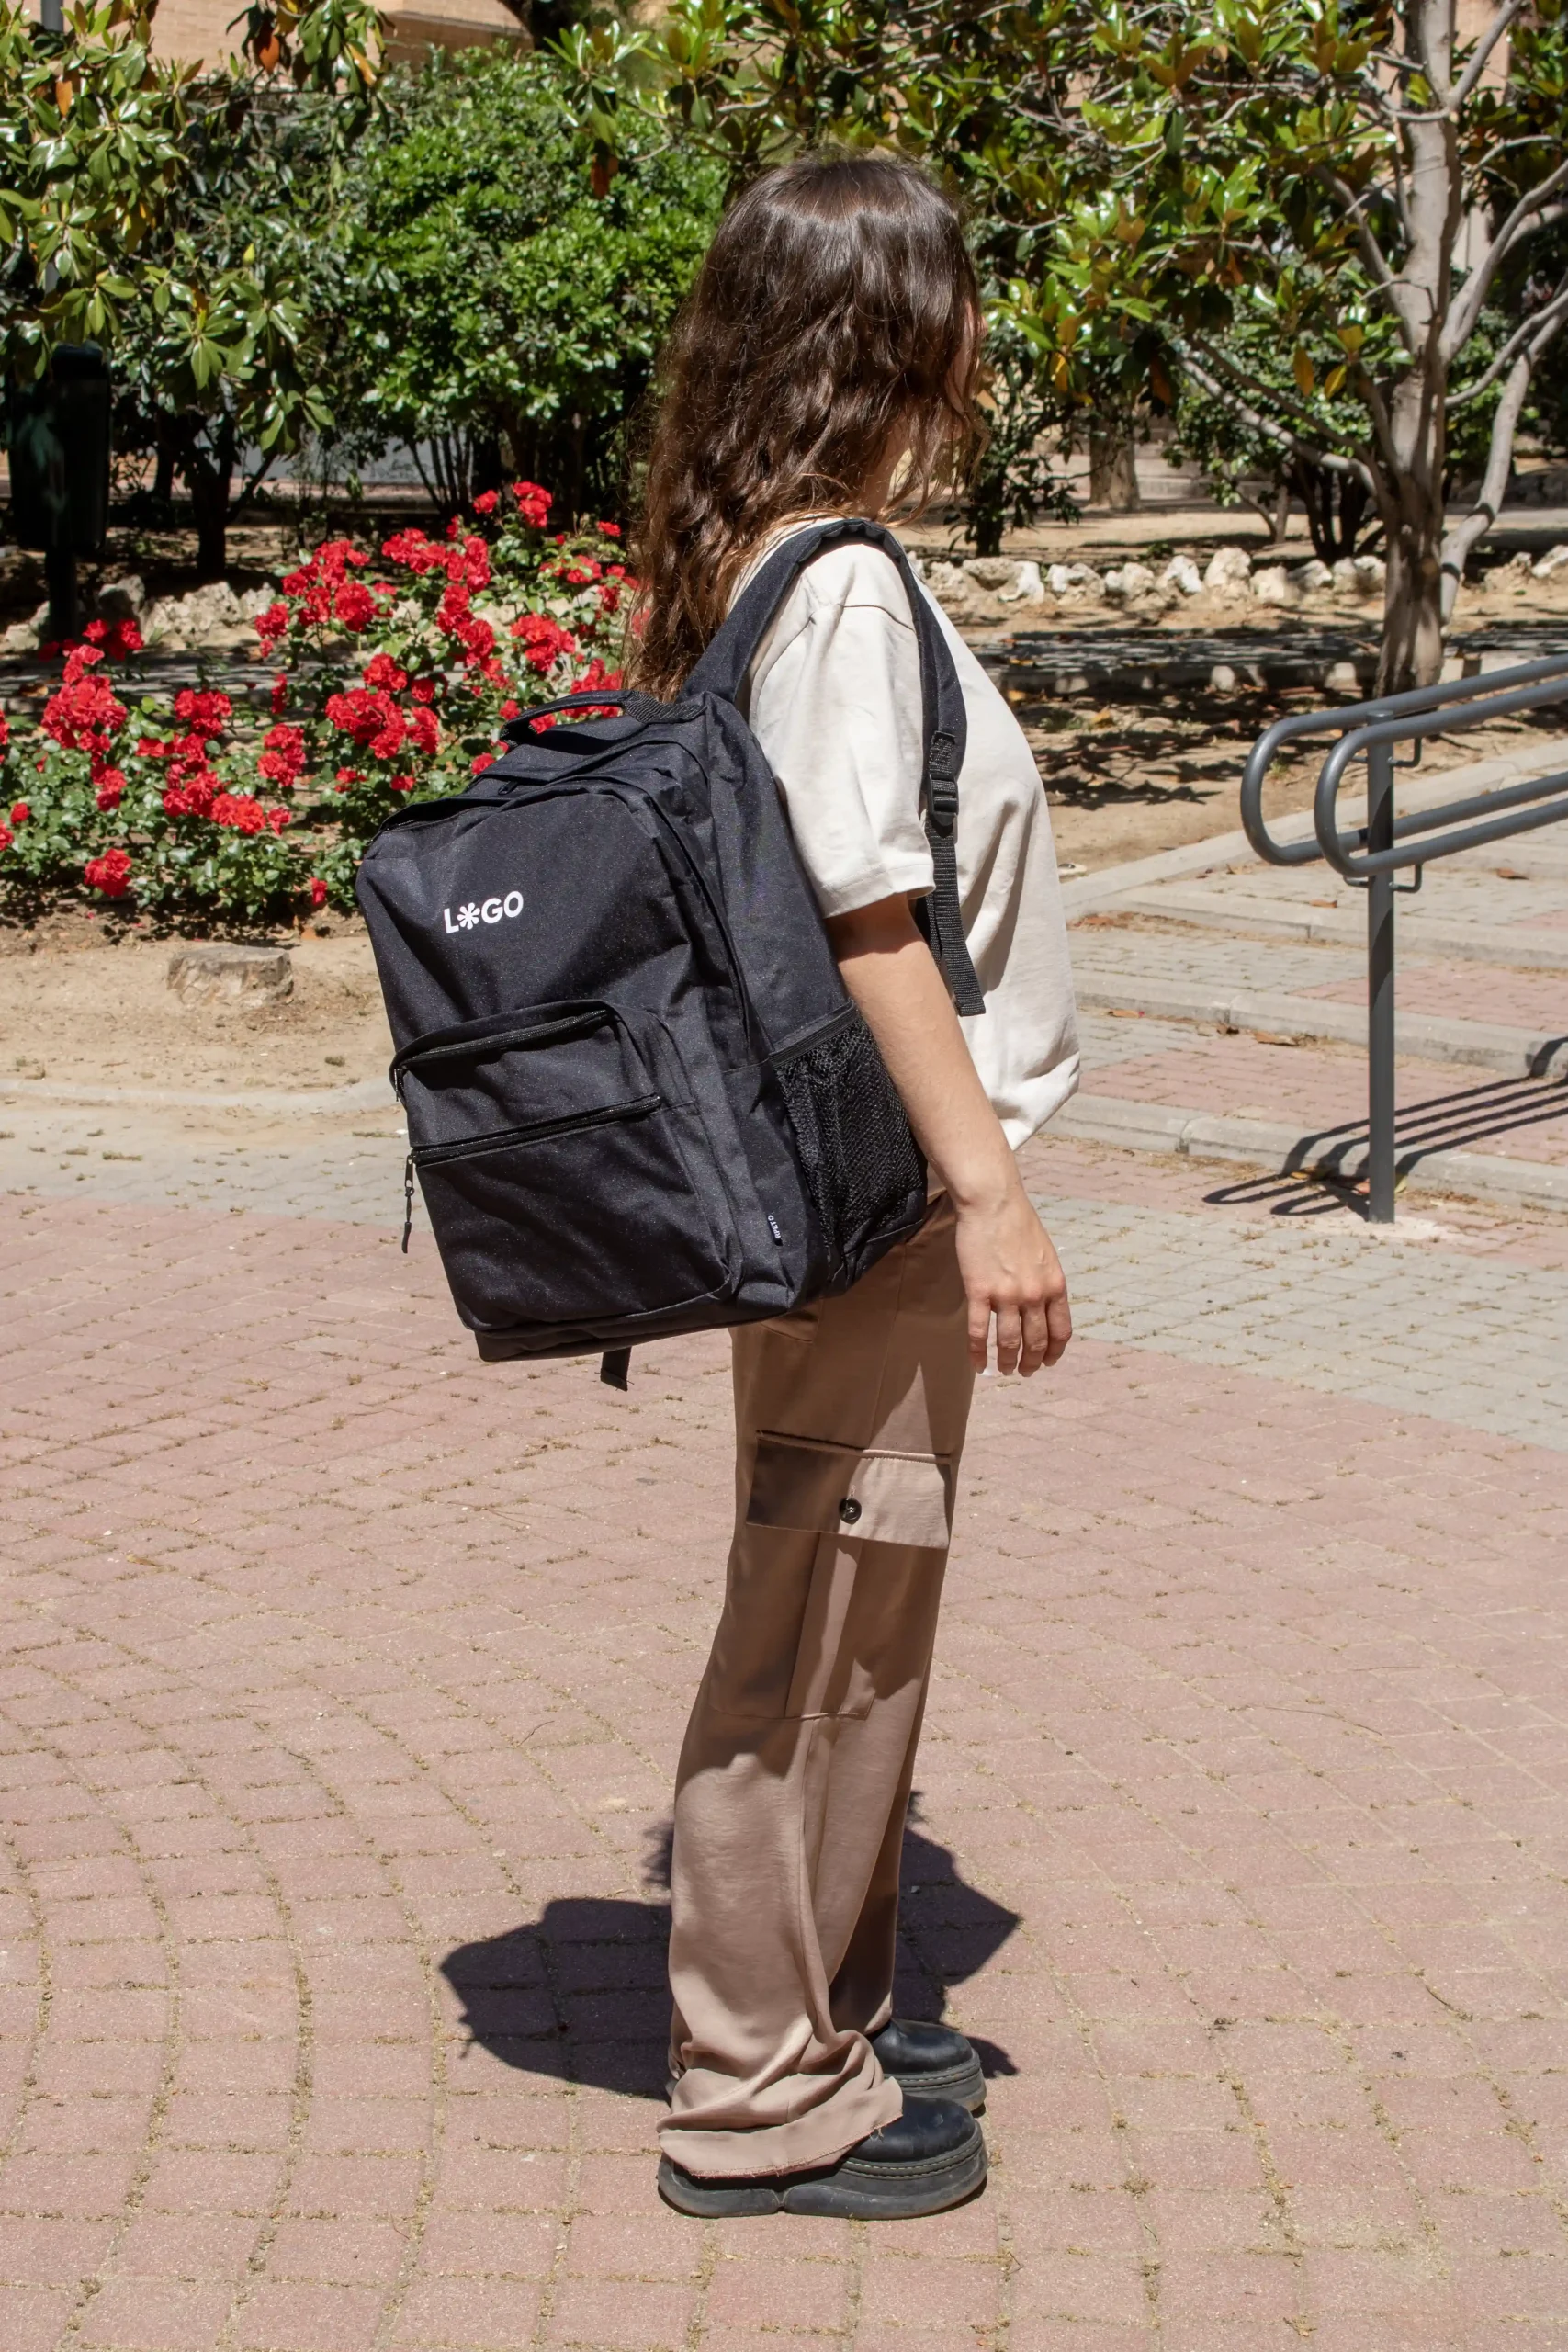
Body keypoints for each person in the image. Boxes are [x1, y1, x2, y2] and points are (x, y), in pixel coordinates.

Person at [629, 151, 1081, 2221]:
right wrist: (988, 1195)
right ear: (892, 327)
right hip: (882, 1188)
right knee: (814, 1620)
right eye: (958, 294)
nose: (982, 329)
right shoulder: (834, 588)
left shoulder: (776, 562)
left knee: (850, 1605)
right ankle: (752, 2091)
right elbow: (866, 910)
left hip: (845, 1184)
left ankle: (833, 2006)